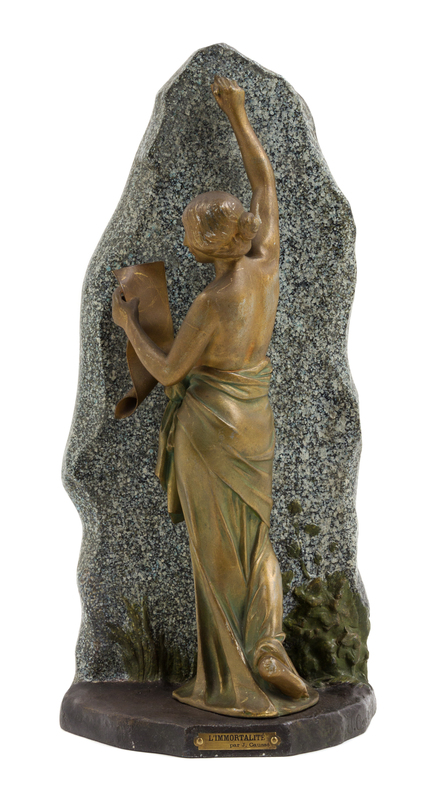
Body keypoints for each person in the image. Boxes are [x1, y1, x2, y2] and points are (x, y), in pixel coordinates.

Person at [112, 76, 318, 717]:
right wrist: (238, 114)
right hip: (254, 420)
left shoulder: (210, 302)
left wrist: (129, 326)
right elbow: (265, 182)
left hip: (209, 429)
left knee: (216, 552)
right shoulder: (265, 264)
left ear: (205, 245)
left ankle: (232, 675)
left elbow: (170, 372)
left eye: (188, 231)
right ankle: (269, 642)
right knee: (256, 539)